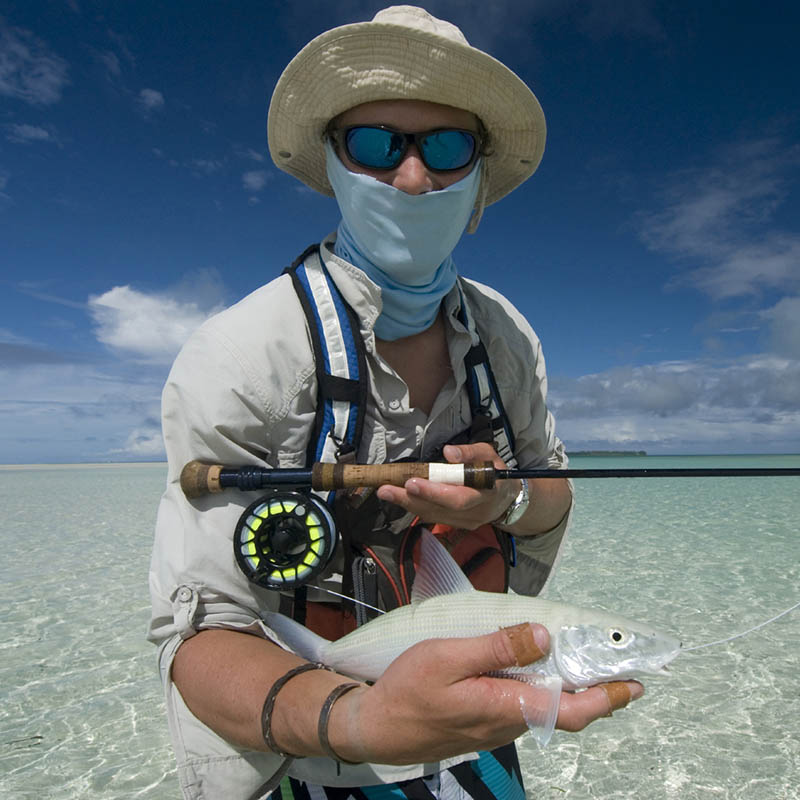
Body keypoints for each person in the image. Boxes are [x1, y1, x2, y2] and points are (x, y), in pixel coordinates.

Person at [148, 6, 644, 799]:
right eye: (376, 145)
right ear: (333, 162)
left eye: (446, 147)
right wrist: (363, 724)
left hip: (479, 734)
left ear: (479, 175)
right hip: (306, 752)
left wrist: (508, 500)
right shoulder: (242, 353)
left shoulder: (507, 338)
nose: (413, 178)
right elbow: (201, 634)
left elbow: (553, 493)